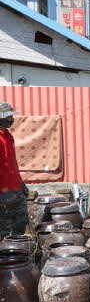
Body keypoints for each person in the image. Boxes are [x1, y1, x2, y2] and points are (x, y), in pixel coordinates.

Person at [0, 102, 28, 239]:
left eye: (11, 115)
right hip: (3, 192)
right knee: (3, 229)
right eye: (7, 116)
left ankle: (18, 252)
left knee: (21, 223)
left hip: (15, 188)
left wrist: (20, 183)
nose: (11, 119)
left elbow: (11, 164)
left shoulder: (7, 135)